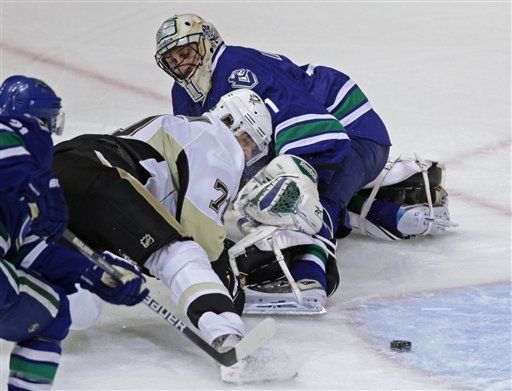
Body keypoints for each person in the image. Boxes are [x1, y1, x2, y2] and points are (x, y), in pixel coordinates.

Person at [153, 14, 455, 312]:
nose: (181, 64)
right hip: (330, 136)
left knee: (300, 200)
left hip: (353, 132)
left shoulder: (236, 69)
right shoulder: (184, 92)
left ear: (208, 42)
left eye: (185, 52)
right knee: (283, 194)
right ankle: (391, 213)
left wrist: (294, 184)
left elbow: (318, 134)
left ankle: (309, 280)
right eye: (172, 59)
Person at [52, 89, 276, 352]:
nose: (248, 154)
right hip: (95, 175)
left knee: (81, 305)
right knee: (180, 254)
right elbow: (201, 236)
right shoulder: (217, 140)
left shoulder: (182, 128)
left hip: (54, 175)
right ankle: (228, 334)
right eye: (248, 142)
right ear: (230, 122)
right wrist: (230, 290)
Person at [0, 75, 148, 391]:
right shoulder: (13, 153)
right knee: (53, 317)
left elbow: (30, 252)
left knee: (52, 314)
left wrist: (94, 270)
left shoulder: (20, 198)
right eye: (48, 123)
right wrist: (36, 182)